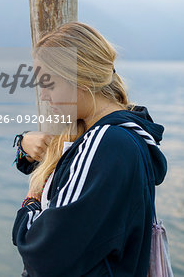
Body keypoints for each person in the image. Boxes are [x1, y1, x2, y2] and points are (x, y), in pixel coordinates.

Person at [12, 22, 167, 277]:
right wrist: (23, 144)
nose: (44, 96)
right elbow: (57, 164)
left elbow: (44, 254)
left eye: (48, 83)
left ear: (80, 81)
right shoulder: (122, 136)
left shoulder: (106, 143)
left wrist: (30, 202)